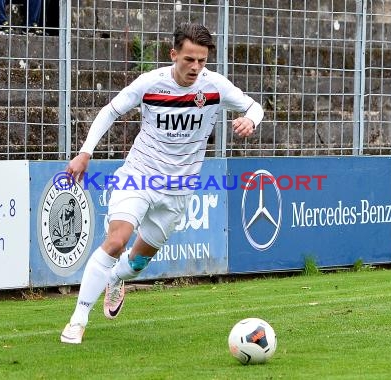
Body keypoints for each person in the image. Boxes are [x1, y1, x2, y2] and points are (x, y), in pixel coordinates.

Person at [60, 22, 264, 344]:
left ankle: (114, 279)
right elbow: (109, 111)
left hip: (179, 191)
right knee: (117, 241)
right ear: (174, 54)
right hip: (140, 176)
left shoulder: (214, 87)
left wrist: (250, 119)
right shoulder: (150, 83)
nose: (195, 67)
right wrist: (85, 153)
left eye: (201, 60)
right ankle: (77, 320)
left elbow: (254, 105)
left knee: (137, 264)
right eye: (188, 60)